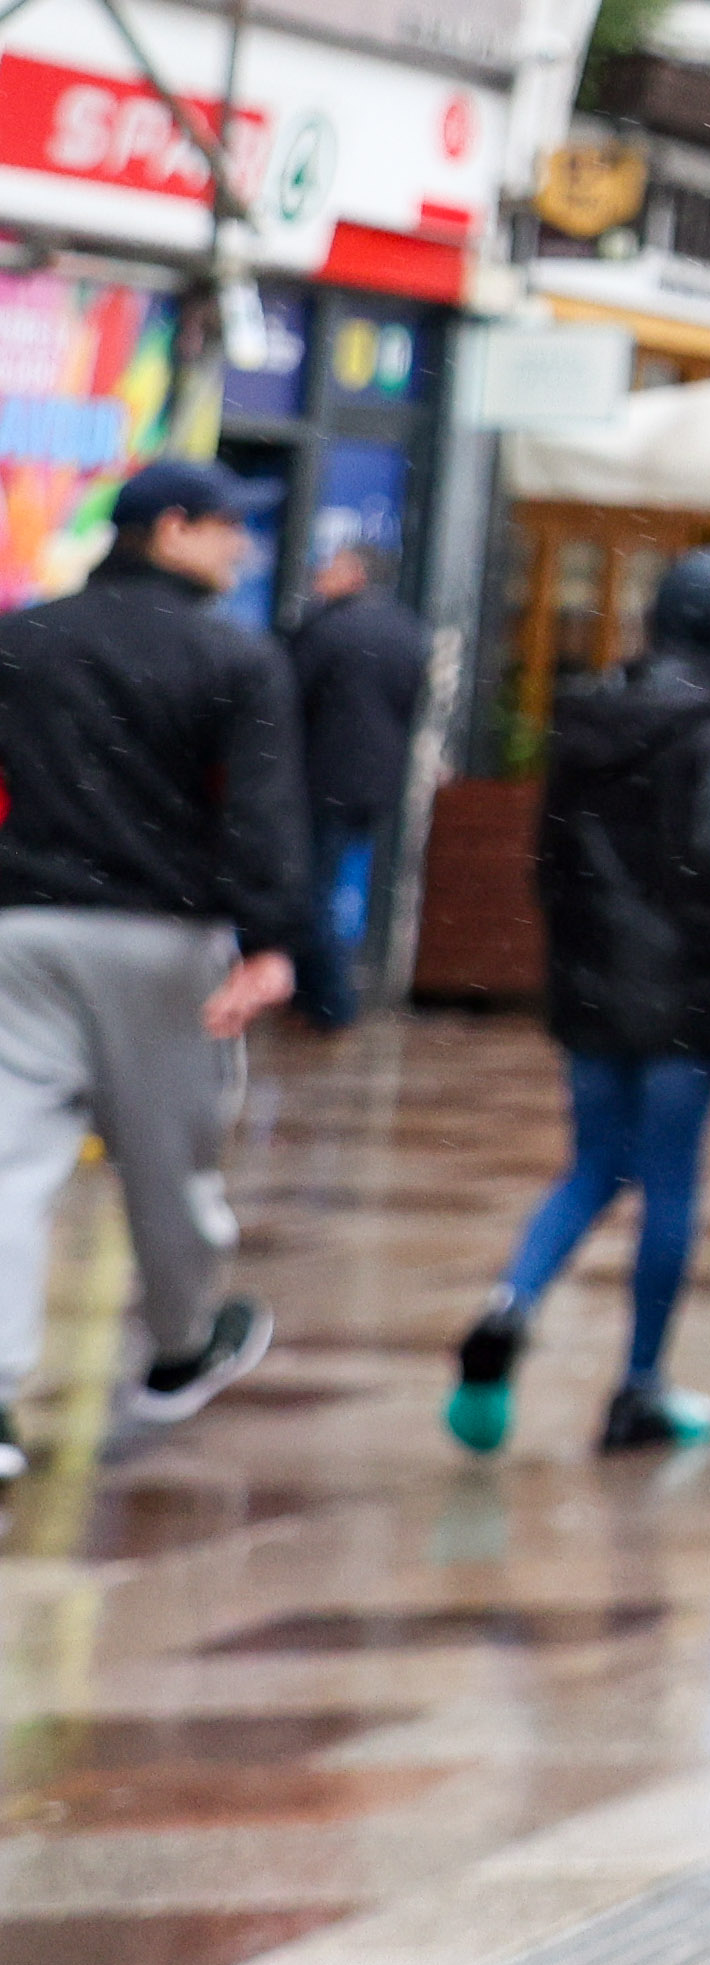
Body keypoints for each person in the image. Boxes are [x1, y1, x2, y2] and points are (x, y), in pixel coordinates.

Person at [0, 459, 299, 1469]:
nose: (240, 548)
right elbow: (260, 813)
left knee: (6, 1169)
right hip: (163, 940)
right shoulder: (232, 659)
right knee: (171, 1166)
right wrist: (269, 939)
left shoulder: (20, 637)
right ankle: (178, 1347)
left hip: (20, 932)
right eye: (226, 528)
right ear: (171, 527)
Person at [454, 544, 710, 1457]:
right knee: (670, 1183)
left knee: (592, 1164)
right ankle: (638, 1384)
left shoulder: (588, 714)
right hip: (683, 994)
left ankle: (510, 1301)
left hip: (591, 983)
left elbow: (551, 859)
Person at [275, 520, 425, 1032]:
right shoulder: (407, 632)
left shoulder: (327, 629)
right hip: (376, 783)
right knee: (341, 890)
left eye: (330, 565)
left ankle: (328, 1002)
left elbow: (289, 699)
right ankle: (327, 993)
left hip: (321, 779)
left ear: (355, 574)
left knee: (314, 891)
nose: (319, 574)